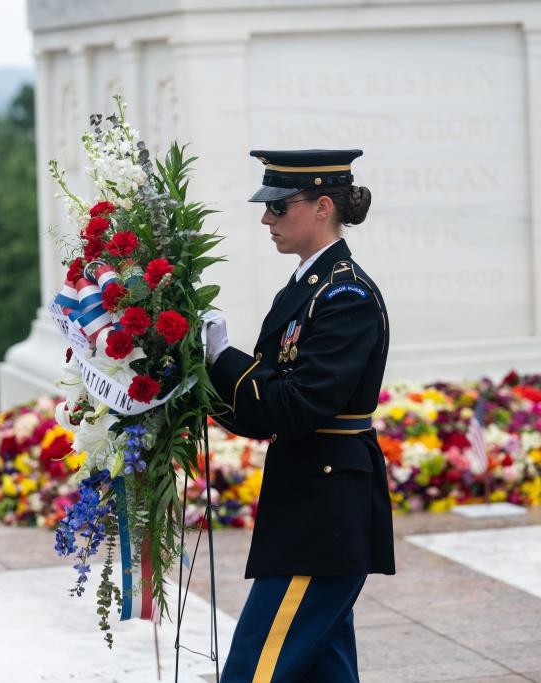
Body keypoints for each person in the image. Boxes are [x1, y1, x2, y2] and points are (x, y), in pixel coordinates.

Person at [204, 149, 395, 682]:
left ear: (321, 206)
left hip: (324, 512)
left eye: (279, 206)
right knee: (324, 672)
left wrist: (222, 358)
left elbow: (295, 406)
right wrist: (195, 378)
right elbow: (266, 408)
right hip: (310, 501)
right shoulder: (307, 288)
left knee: (252, 671)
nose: (266, 219)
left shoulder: (345, 296)